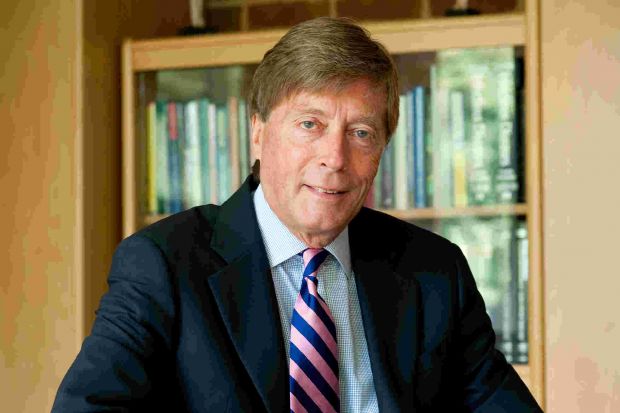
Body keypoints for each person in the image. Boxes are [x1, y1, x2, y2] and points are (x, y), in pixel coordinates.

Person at [53, 17, 542, 412]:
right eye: (310, 124)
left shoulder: (435, 271)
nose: (335, 157)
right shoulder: (163, 265)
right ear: (258, 131)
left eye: (361, 133)